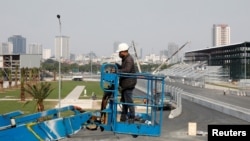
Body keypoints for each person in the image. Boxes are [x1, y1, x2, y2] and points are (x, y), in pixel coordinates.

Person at [115, 43, 137, 123]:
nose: (119, 54)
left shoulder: (129, 59)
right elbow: (124, 69)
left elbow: (127, 70)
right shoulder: (125, 59)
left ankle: (132, 117)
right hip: (125, 84)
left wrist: (116, 70)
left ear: (124, 51)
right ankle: (123, 118)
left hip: (128, 84)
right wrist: (117, 66)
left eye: (120, 52)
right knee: (124, 102)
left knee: (128, 101)